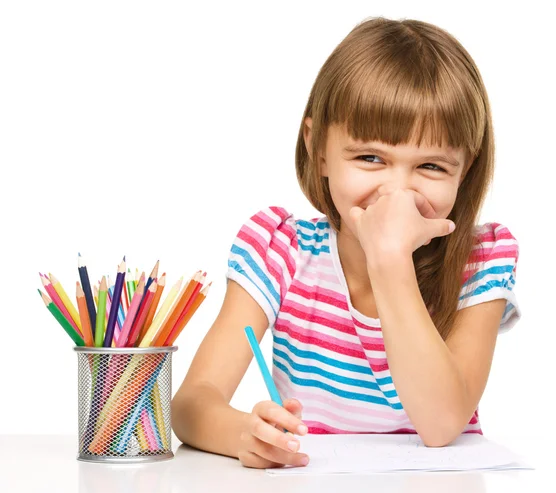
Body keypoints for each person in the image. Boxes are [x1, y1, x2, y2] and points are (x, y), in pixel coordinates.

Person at [171, 16, 521, 469]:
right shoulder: (280, 252)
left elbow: (440, 425)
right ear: (318, 149)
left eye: (431, 166)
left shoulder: (481, 262)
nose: (398, 193)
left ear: (465, 169)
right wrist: (246, 433)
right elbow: (192, 404)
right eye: (371, 158)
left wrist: (389, 259)